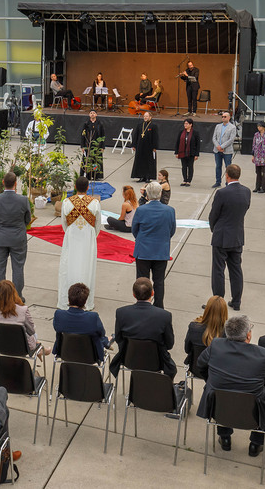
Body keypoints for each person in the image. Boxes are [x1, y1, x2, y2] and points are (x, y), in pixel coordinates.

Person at [196, 315, 265, 457]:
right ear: (248, 335)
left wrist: (211, 381)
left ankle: (225, 437)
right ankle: (256, 443)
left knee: (222, 392)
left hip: (220, 405)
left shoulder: (216, 345)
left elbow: (200, 364)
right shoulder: (262, 354)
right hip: (250, 409)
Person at [109, 277, 175, 379]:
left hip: (129, 359)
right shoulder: (164, 316)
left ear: (133, 294)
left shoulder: (122, 313)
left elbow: (118, 338)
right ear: (152, 293)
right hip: (156, 362)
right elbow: (169, 344)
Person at [208, 164, 251, 311]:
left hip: (222, 236)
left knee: (218, 270)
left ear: (227, 175)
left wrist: (214, 228)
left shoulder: (222, 193)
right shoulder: (246, 192)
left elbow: (214, 215)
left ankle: (218, 301)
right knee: (236, 269)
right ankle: (236, 300)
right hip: (237, 235)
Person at [57, 176, 102, 310]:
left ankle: (67, 298)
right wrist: (91, 235)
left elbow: (64, 224)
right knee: (86, 267)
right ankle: (85, 300)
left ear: (75, 187)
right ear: (88, 187)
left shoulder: (66, 202)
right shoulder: (94, 203)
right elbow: (98, 225)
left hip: (71, 239)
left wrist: (71, 232)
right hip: (88, 240)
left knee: (69, 266)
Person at [131, 181, 176, 309]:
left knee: (141, 281)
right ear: (160, 194)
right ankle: (158, 306)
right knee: (159, 281)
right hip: (161, 251)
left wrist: (142, 240)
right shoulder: (170, 210)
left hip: (143, 251)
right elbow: (171, 230)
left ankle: (141, 305)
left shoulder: (141, 210)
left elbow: (135, 229)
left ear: (147, 195)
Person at [0, 171, 31, 298]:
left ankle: (0, 296)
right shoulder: (23, 200)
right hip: (17, 237)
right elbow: (27, 219)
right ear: (15, 183)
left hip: (0, 237)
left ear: (3, 183)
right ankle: (17, 296)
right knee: (18, 268)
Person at [0, 279, 49, 355]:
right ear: (14, 293)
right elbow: (31, 331)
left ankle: (39, 348)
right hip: (22, 348)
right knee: (32, 333)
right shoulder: (22, 310)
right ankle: (39, 348)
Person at [52, 283, 110, 361]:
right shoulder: (93, 317)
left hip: (65, 353)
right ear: (85, 302)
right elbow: (101, 333)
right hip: (90, 357)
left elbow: (57, 328)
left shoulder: (59, 315)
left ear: (69, 299)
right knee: (100, 337)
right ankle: (108, 341)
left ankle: (107, 341)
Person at [184, 295, 227, 380]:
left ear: (207, 309)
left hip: (196, 369)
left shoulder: (194, 327)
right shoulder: (226, 333)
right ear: (224, 312)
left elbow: (187, 349)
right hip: (217, 373)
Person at [130, 111, 158, 182]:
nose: (145, 117)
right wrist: (134, 145)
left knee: (148, 162)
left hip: (149, 147)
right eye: (144, 116)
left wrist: (155, 147)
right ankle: (141, 176)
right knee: (140, 161)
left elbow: (155, 137)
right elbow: (135, 135)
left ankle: (148, 177)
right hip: (140, 146)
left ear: (150, 117)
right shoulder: (140, 125)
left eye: (147, 116)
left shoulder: (153, 126)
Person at [211, 111, 237, 188]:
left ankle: (228, 183)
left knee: (228, 167)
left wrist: (222, 146)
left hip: (227, 151)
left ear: (229, 118)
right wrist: (217, 146)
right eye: (222, 116)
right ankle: (218, 181)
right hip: (217, 150)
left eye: (225, 116)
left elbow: (231, 139)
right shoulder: (218, 126)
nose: (223, 118)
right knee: (218, 166)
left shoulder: (232, 127)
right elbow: (214, 137)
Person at [174, 118, 201, 186]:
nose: (185, 125)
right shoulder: (181, 132)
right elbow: (177, 142)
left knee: (190, 166)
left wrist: (196, 154)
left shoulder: (195, 133)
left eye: (187, 124)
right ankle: (184, 180)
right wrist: (176, 152)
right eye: (184, 123)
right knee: (184, 166)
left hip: (191, 152)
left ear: (191, 124)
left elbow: (198, 144)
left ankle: (189, 180)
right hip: (182, 152)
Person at [79, 110, 105, 180]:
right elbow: (83, 135)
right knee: (88, 160)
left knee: (95, 161)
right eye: (91, 113)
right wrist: (82, 146)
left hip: (97, 146)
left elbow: (103, 136)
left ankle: (95, 175)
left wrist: (102, 146)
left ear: (96, 115)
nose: (92, 114)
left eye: (94, 113)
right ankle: (88, 174)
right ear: (89, 115)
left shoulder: (100, 124)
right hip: (88, 145)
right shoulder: (86, 124)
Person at [251, 121, 265, 194]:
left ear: (263, 127)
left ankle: (264, 187)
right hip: (257, 156)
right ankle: (257, 186)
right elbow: (254, 145)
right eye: (258, 126)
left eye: (260, 126)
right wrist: (253, 155)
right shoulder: (256, 134)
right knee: (258, 171)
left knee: (263, 171)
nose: (258, 128)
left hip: (264, 156)